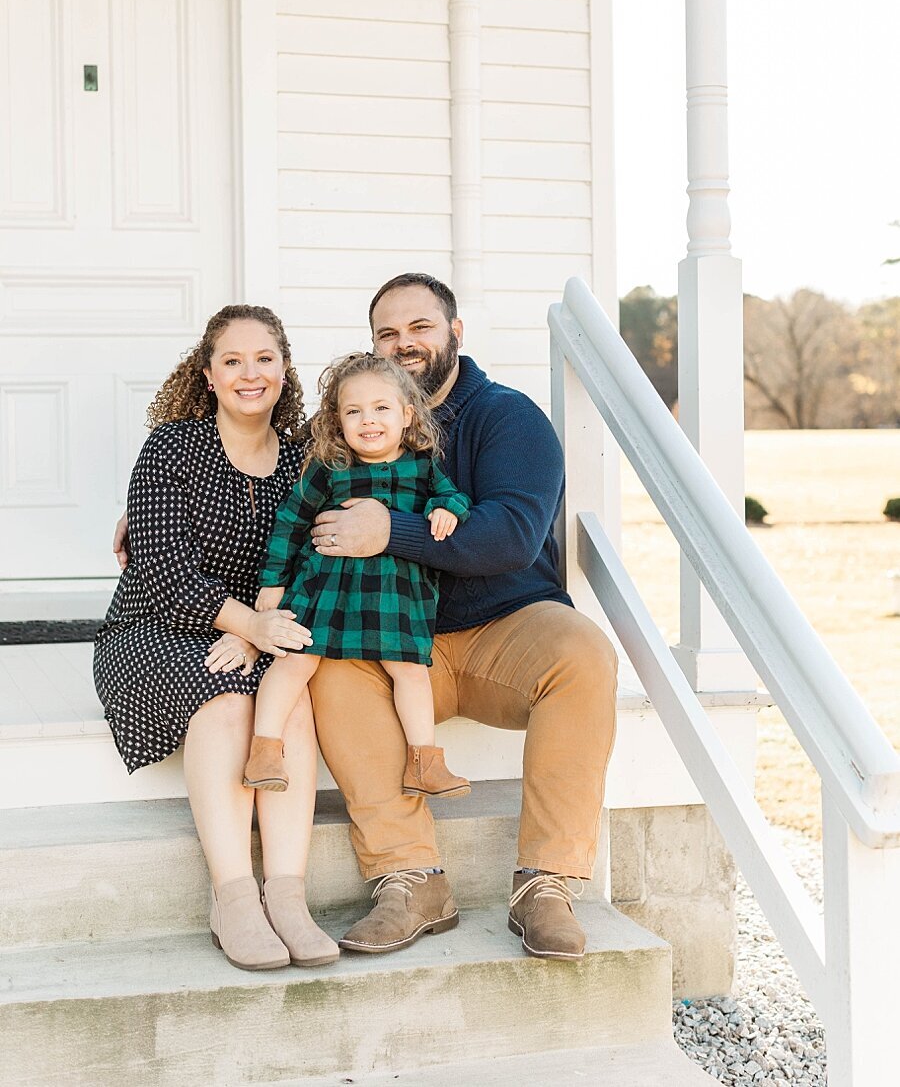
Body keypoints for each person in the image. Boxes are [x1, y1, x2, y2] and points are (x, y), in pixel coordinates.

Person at [307, 274, 619, 962]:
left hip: (501, 628)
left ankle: (547, 885)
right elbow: (283, 491)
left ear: (455, 332)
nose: (404, 343)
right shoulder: (358, 419)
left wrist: (391, 530)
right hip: (394, 638)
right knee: (329, 669)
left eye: (419, 327)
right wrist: (153, 513)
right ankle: (410, 879)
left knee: (584, 656)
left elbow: (508, 535)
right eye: (387, 334)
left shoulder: (507, 418)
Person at [95, 305, 339, 972]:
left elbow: (316, 563)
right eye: (232, 360)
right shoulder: (173, 448)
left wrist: (262, 636)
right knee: (230, 701)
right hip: (151, 626)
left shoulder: (303, 462)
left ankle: (287, 896)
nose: (249, 373)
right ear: (208, 375)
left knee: (291, 702)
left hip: (253, 632)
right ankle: (232, 896)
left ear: (284, 369)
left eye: (264, 358)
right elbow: (165, 571)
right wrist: (249, 626)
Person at [243, 351, 472, 803]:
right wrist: (272, 582)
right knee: (294, 661)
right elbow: (291, 522)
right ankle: (264, 750)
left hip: (396, 595)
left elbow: (453, 496)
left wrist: (445, 509)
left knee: (411, 672)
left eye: (381, 408)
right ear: (337, 421)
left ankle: (425, 761)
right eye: (354, 411)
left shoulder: (423, 466)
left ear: (407, 415)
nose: (368, 421)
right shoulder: (331, 469)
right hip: (328, 589)